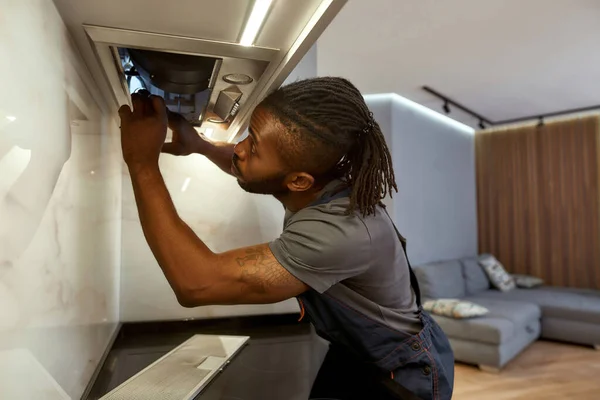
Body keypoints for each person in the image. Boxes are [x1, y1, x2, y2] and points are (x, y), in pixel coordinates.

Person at [118, 77, 454, 400]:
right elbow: (262, 171)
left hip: (403, 374)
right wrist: (201, 146)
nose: (239, 148)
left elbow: (197, 284)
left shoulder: (337, 233)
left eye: (255, 148)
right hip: (357, 353)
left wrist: (142, 162)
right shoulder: (322, 180)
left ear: (299, 181)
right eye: (249, 136)